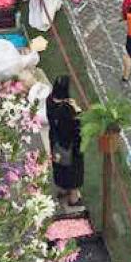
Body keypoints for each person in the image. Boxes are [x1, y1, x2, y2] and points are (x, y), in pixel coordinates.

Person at [46, 75, 84, 206]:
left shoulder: (49, 101)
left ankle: (62, 190)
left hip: (55, 142)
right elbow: (76, 128)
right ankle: (73, 199)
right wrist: (77, 111)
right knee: (73, 171)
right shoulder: (67, 110)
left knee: (59, 167)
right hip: (70, 146)